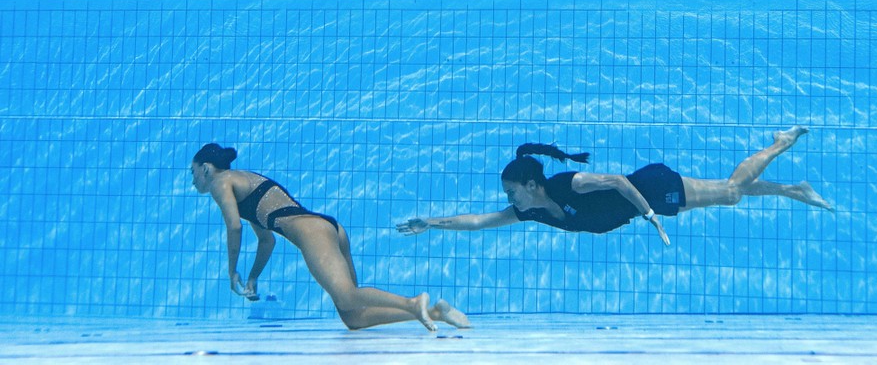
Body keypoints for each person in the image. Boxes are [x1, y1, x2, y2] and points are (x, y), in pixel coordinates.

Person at [190, 143, 470, 331]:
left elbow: (233, 227)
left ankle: (413, 302)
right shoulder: (244, 182)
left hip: (311, 231)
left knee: (348, 296)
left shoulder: (220, 181)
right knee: (353, 316)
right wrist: (252, 277)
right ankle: (436, 312)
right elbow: (267, 241)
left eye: (193, 173)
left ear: (205, 168)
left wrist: (232, 272)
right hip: (329, 228)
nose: (193, 181)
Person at [397, 126, 833, 245]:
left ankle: (780, 142)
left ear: (531, 184)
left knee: (732, 192)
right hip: (648, 202)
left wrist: (649, 214)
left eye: (511, 192)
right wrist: (431, 222)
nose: (508, 201)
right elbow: (477, 221)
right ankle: (795, 189)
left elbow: (621, 182)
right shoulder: (530, 211)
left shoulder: (571, 184)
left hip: (651, 188)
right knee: (727, 192)